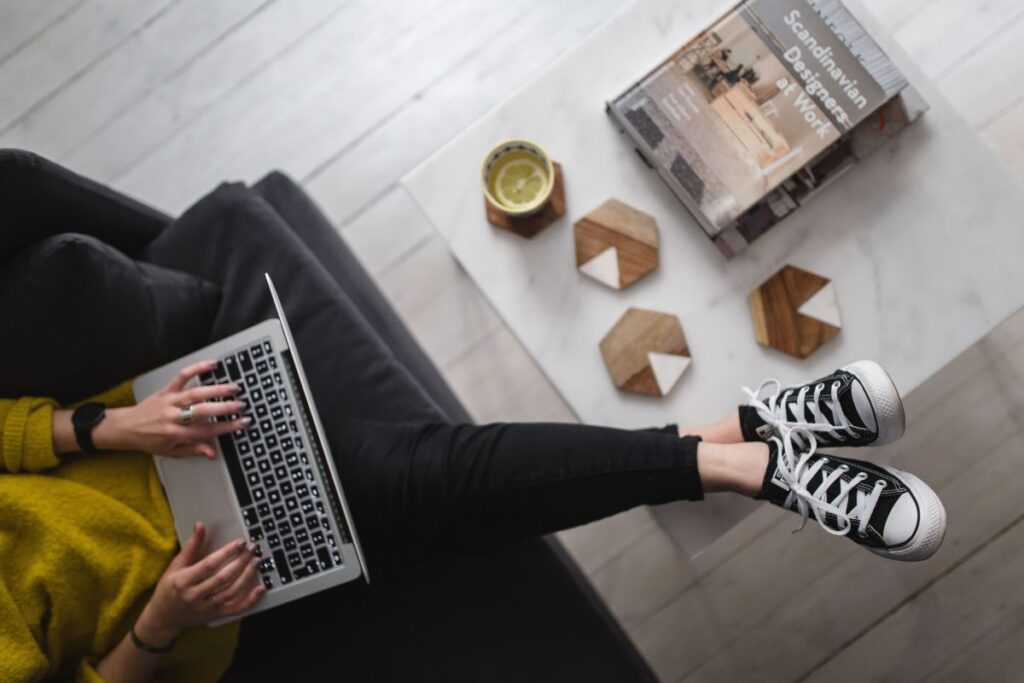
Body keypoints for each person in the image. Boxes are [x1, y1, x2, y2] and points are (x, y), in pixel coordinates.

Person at [0, 355, 946, 682]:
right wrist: (160, 626)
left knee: (450, 474)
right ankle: (762, 433)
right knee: (466, 504)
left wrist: (109, 422)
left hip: (165, 453)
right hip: (203, 604)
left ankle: (753, 467)